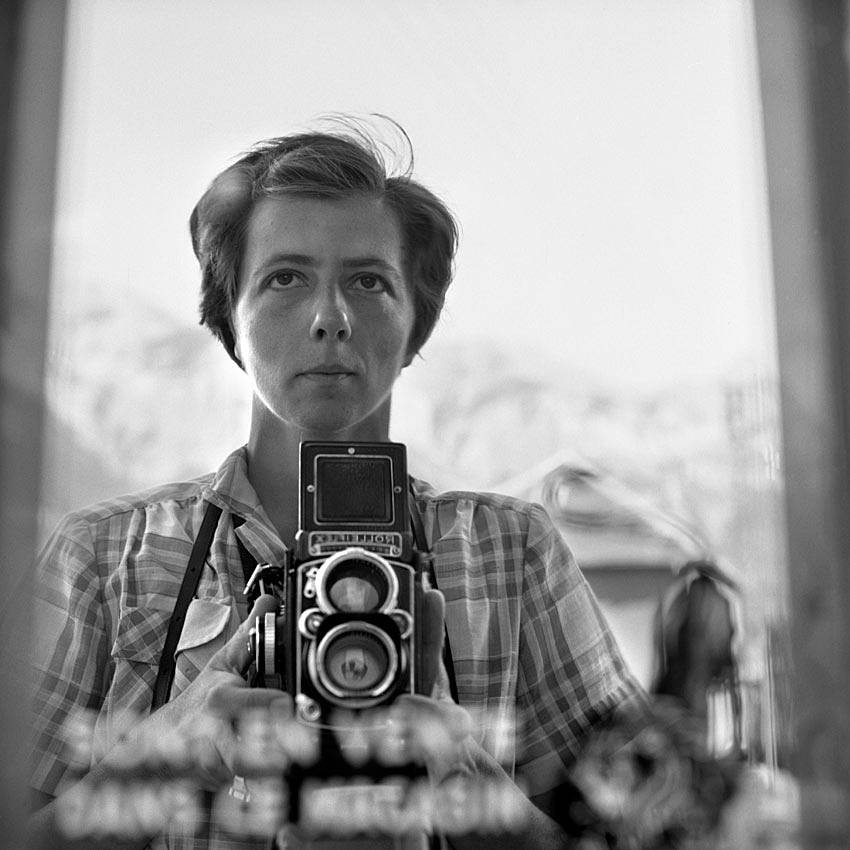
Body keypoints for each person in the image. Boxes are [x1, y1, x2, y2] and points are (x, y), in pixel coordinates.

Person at [29, 119, 645, 849]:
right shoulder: (102, 559)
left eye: (369, 281)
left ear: (417, 324)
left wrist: (463, 779)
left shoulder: (512, 553)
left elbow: (651, 829)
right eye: (285, 278)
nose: (330, 318)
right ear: (229, 315)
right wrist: (166, 758)